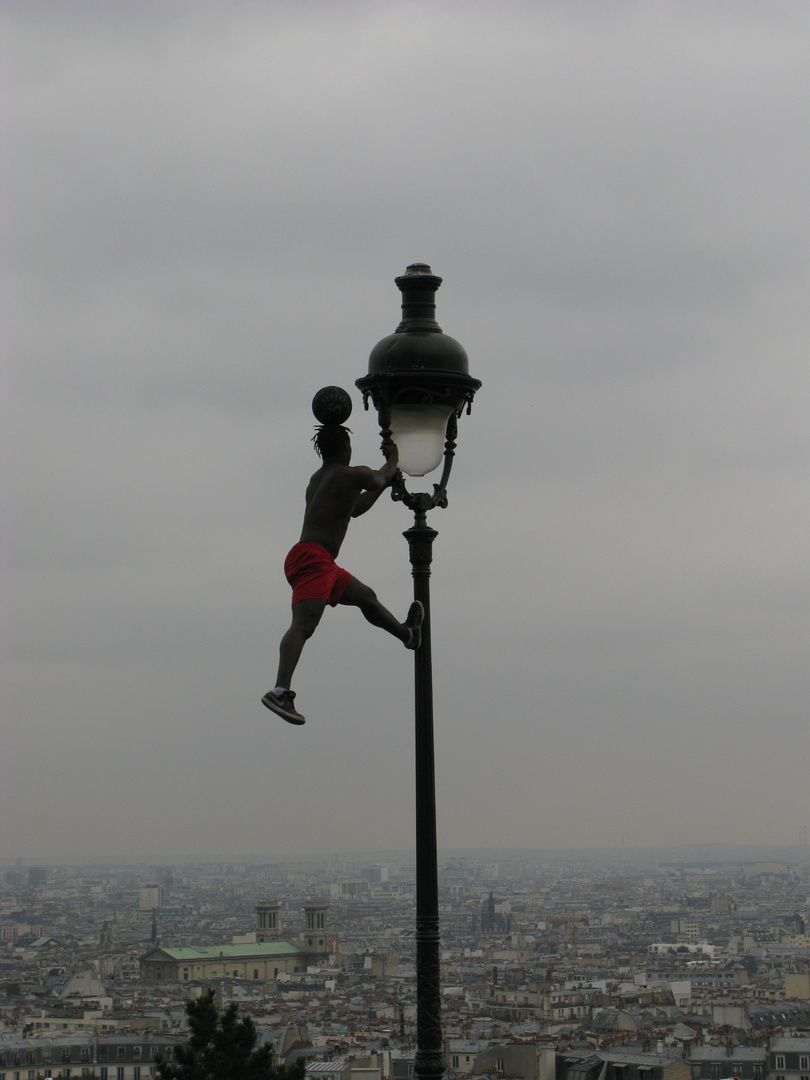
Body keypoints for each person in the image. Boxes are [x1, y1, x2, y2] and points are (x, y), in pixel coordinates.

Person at [262, 423, 424, 725]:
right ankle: (280, 690)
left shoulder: (319, 479)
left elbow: (355, 507)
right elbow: (377, 478)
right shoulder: (350, 474)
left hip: (316, 558)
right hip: (314, 560)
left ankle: (408, 635)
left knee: (366, 598)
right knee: (303, 626)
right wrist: (393, 459)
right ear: (345, 449)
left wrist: (387, 483)